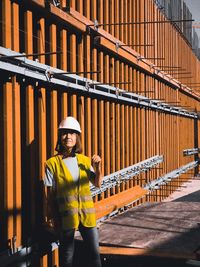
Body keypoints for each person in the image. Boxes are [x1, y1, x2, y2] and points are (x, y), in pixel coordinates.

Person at [43, 116, 102, 267]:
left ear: (77, 137)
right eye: (64, 133)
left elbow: (97, 183)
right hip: (66, 219)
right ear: (59, 137)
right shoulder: (52, 164)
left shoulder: (84, 160)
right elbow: (50, 196)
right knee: (67, 259)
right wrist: (53, 219)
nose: (68, 137)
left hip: (87, 217)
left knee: (95, 257)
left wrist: (98, 168)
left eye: (72, 133)